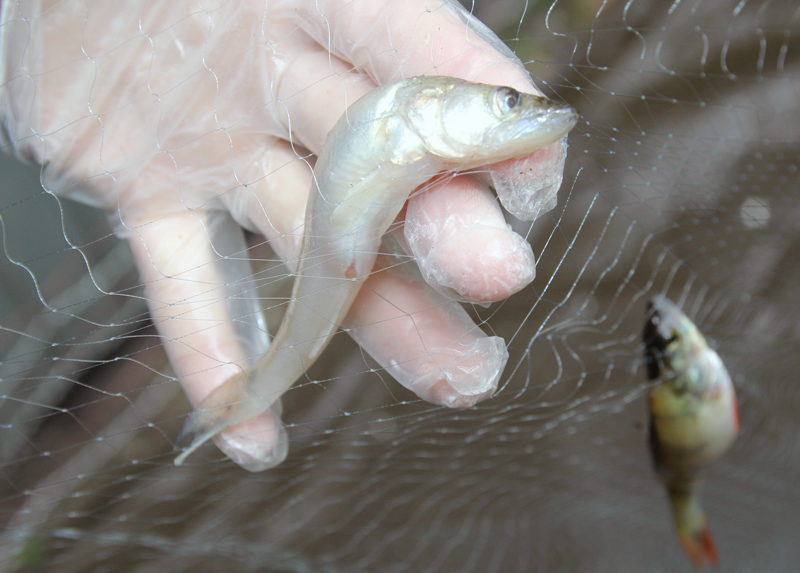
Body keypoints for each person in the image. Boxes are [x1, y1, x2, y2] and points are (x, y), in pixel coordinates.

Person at [0, 0, 568, 470]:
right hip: (340, 247)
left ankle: (249, 391)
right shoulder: (405, 117)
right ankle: (248, 392)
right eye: (506, 102)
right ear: (426, 105)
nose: (514, 109)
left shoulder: (412, 125)